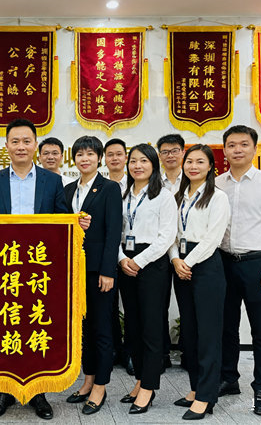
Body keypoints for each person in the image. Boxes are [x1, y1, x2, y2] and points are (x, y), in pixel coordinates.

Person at [0, 118, 90, 420]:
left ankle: (39, 392)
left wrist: (76, 224)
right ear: (6, 146)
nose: (21, 146)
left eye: (27, 141)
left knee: (37, 327)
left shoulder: (52, 181)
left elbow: (61, 221)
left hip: (40, 270)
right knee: (6, 326)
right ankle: (3, 391)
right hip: (5, 270)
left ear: (35, 145)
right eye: (15, 141)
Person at [216, 125, 261, 416]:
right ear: (224, 150)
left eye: (244, 144)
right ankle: (228, 378)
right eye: (232, 145)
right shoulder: (216, 184)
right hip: (223, 262)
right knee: (226, 326)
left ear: (254, 148)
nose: (237, 149)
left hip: (257, 264)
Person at [168, 144, 230, 420]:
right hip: (180, 265)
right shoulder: (178, 196)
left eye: (200, 162)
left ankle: (206, 396)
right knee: (190, 333)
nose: (193, 166)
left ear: (210, 167)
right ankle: (195, 389)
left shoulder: (218, 197)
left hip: (205, 267)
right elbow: (171, 233)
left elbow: (212, 239)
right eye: (189, 161)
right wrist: (175, 260)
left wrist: (187, 263)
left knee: (208, 334)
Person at [63, 136, 122, 415]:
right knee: (83, 329)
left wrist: (108, 271)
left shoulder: (110, 188)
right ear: (73, 158)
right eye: (79, 154)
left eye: (90, 154)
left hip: (99, 271)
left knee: (101, 328)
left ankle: (100, 386)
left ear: (99, 158)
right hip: (73, 271)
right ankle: (87, 380)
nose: (84, 159)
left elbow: (113, 232)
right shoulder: (67, 190)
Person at [118, 143, 177, 414]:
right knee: (133, 327)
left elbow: (166, 237)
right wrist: (122, 259)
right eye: (133, 161)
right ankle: (140, 379)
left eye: (144, 160)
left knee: (152, 328)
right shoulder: (123, 194)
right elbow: (116, 231)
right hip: (126, 262)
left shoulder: (164, 196)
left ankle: (149, 387)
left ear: (154, 164)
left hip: (152, 264)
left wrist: (139, 261)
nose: (137, 165)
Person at [157, 133, 186, 371]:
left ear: (183, 152)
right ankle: (162, 353)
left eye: (174, 150)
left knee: (190, 306)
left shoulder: (195, 178)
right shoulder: (154, 182)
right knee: (159, 305)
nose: (170, 155)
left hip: (189, 252)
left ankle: (189, 353)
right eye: (165, 152)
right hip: (161, 251)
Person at [103, 137, 133, 375]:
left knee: (132, 305)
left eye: (118, 154)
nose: (114, 158)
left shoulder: (136, 184)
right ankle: (113, 349)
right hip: (108, 253)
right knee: (109, 307)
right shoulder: (101, 186)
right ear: (104, 159)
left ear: (126, 157)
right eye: (110, 154)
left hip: (132, 255)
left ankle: (130, 353)